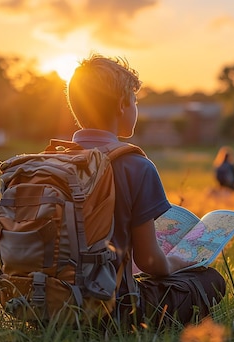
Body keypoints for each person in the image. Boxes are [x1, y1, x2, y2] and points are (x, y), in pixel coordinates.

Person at [66, 53, 225, 327]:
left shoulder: (53, 161)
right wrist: (175, 261)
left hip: (44, 302)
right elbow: (151, 261)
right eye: (135, 101)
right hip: (110, 311)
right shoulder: (135, 165)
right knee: (211, 281)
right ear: (121, 105)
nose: (136, 108)